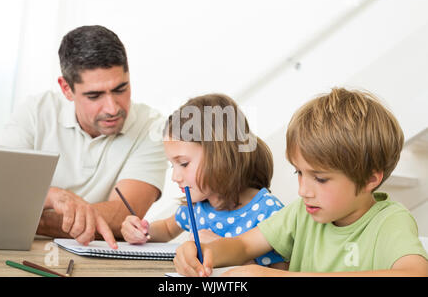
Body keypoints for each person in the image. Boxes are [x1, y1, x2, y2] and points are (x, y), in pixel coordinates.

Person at [173, 87, 428, 276]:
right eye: (299, 173)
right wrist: (207, 253)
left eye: (320, 178)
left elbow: (414, 274)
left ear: (371, 178)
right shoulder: (301, 213)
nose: (303, 190)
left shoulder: (389, 221)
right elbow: (243, 244)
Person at [0, 25, 168, 249]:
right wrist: (55, 197)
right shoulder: (35, 112)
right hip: (25, 250)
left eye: (120, 89)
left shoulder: (152, 127)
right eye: (94, 95)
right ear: (66, 88)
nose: (112, 108)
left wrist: (28, 216)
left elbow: (121, 218)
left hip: (100, 258)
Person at [121, 93, 287, 268]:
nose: (175, 177)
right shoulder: (197, 207)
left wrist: (224, 250)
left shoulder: (268, 212)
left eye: (183, 164)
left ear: (221, 156)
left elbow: (282, 271)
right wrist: (143, 230)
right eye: (172, 166)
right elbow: (167, 229)